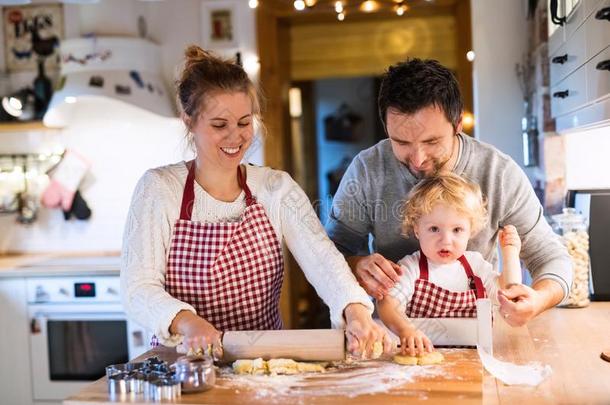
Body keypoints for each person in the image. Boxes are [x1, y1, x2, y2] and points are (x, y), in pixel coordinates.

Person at [120, 45, 391, 358]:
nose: (235, 137)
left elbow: (325, 261)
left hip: (264, 365)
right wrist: (187, 322)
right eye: (220, 125)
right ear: (189, 121)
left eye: (244, 123)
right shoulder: (159, 189)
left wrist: (355, 311)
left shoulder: (276, 188)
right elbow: (137, 289)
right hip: (184, 364)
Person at [326, 58, 572, 327]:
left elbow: (551, 258)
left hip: (478, 335)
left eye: (431, 141)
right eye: (401, 142)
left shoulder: (498, 173)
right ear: (387, 127)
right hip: (395, 337)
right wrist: (357, 264)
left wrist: (538, 300)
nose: (418, 159)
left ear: (457, 125)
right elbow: (329, 255)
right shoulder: (366, 170)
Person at [377, 173, 521, 355]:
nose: (446, 241)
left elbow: (509, 293)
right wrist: (405, 330)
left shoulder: (475, 266)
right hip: (420, 356)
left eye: (457, 230)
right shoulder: (411, 268)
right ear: (417, 229)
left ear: (471, 231)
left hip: (473, 358)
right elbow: (386, 304)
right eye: (434, 229)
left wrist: (510, 252)